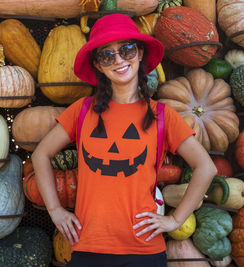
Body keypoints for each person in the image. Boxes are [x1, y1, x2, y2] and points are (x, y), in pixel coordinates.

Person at [32, 13, 217, 267]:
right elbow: (40, 154)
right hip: (89, 247)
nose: (118, 60)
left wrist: (175, 220)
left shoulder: (162, 116)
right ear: (98, 65)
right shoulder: (83, 110)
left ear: (140, 53)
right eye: (107, 55)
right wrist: (55, 210)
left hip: (144, 250)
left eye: (127, 50)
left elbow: (206, 167)